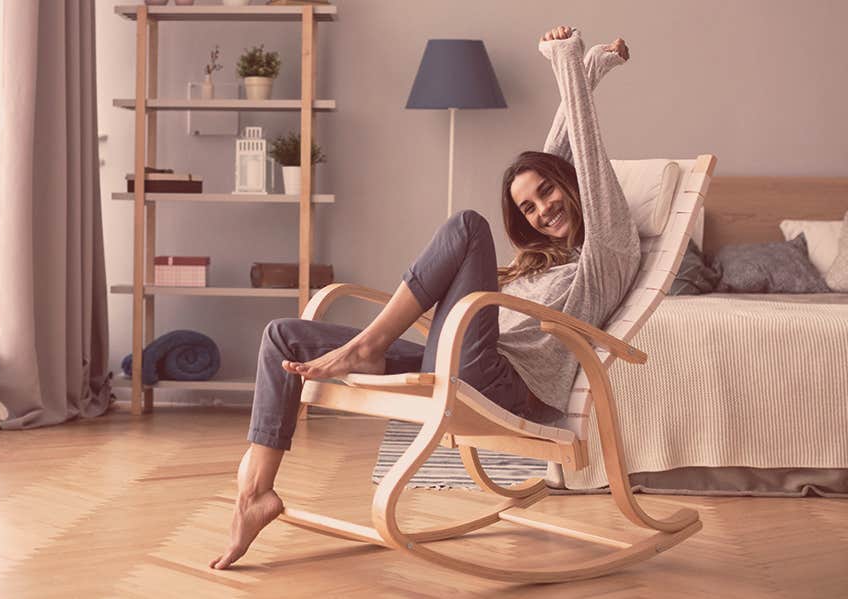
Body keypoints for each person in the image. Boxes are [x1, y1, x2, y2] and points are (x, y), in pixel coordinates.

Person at [210, 25, 639, 570]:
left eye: (548, 193)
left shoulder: (607, 253)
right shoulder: (546, 258)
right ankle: (256, 494)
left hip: (504, 386)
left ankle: (369, 344)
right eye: (528, 208)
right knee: (281, 335)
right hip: (463, 360)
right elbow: (552, 155)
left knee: (467, 226)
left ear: (575, 187)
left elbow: (584, 158)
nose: (540, 211)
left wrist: (569, 58)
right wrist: (590, 70)